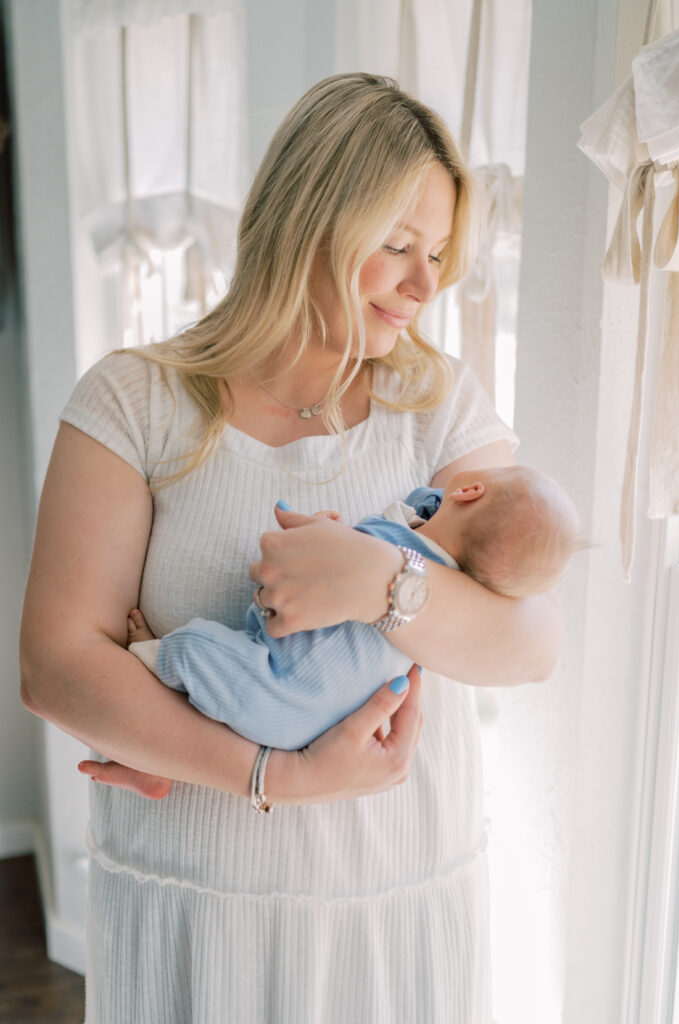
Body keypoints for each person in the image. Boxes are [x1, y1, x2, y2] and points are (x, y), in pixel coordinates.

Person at [20, 73, 562, 1023]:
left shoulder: (436, 404)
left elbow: (528, 646)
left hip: (392, 899)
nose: (424, 284)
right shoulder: (133, 401)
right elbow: (55, 667)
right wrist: (280, 777)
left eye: (435, 253)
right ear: (305, 219)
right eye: (396, 246)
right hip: (197, 900)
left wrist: (383, 581)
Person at [112, 465, 577, 777]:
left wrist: (318, 533)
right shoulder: (453, 611)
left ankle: (150, 656)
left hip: (277, 689)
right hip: (324, 724)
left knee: (195, 647)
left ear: (470, 489)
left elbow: (324, 560)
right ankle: (154, 758)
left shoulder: (390, 542)